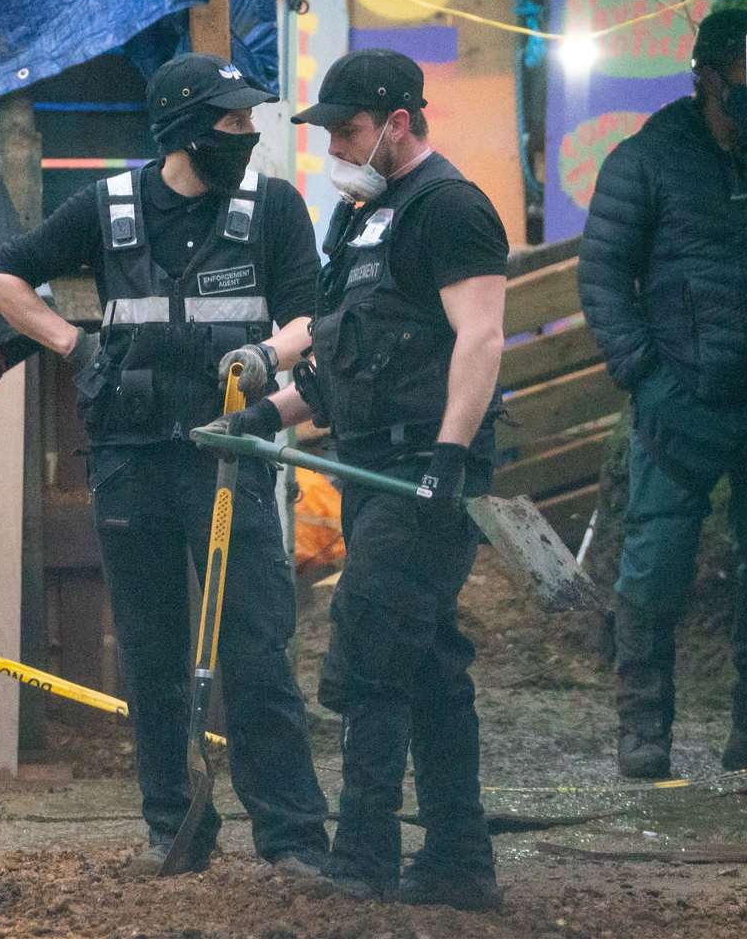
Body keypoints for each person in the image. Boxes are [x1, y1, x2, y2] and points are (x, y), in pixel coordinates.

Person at [0, 53, 330, 877]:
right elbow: (2, 280)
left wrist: (264, 354)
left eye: (248, 119)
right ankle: (171, 828)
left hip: (230, 457)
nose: (245, 133)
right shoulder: (105, 207)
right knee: (150, 650)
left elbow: (311, 318)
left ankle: (291, 839)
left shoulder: (272, 208)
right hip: (131, 460)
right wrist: (74, 343)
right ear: (182, 126)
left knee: (255, 646)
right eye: (230, 120)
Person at [209, 49, 508, 908]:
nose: (336, 146)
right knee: (426, 664)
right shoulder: (359, 219)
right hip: (366, 460)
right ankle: (458, 860)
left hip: (424, 464)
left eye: (348, 131)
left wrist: (450, 459)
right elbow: (346, 359)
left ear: (399, 123)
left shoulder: (448, 209)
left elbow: (480, 339)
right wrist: (261, 417)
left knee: (370, 650)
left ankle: (363, 860)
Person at [579, 7, 747, 781]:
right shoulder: (644, 160)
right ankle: (642, 732)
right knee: (652, 573)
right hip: (680, 402)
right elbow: (603, 279)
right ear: (705, 78)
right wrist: (646, 377)